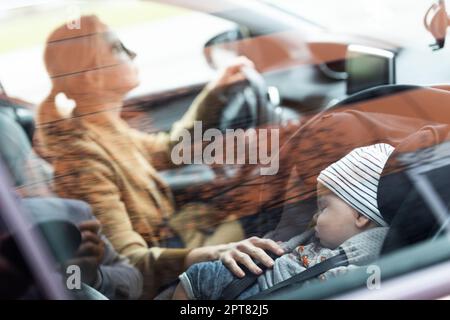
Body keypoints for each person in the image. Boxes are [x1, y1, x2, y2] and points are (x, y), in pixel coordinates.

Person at [35, 15, 285, 298]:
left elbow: (168, 151)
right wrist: (213, 252)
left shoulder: (104, 128)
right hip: (169, 274)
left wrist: (215, 92)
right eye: (118, 48)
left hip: (183, 235)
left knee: (270, 196)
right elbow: (131, 263)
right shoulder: (82, 159)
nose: (134, 54)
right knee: (276, 208)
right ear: (92, 74)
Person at [173, 143, 394, 300]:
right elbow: (284, 243)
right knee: (198, 276)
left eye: (323, 207)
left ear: (361, 216)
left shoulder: (367, 259)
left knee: (199, 277)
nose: (315, 217)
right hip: (261, 276)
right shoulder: (321, 237)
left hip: (271, 287)